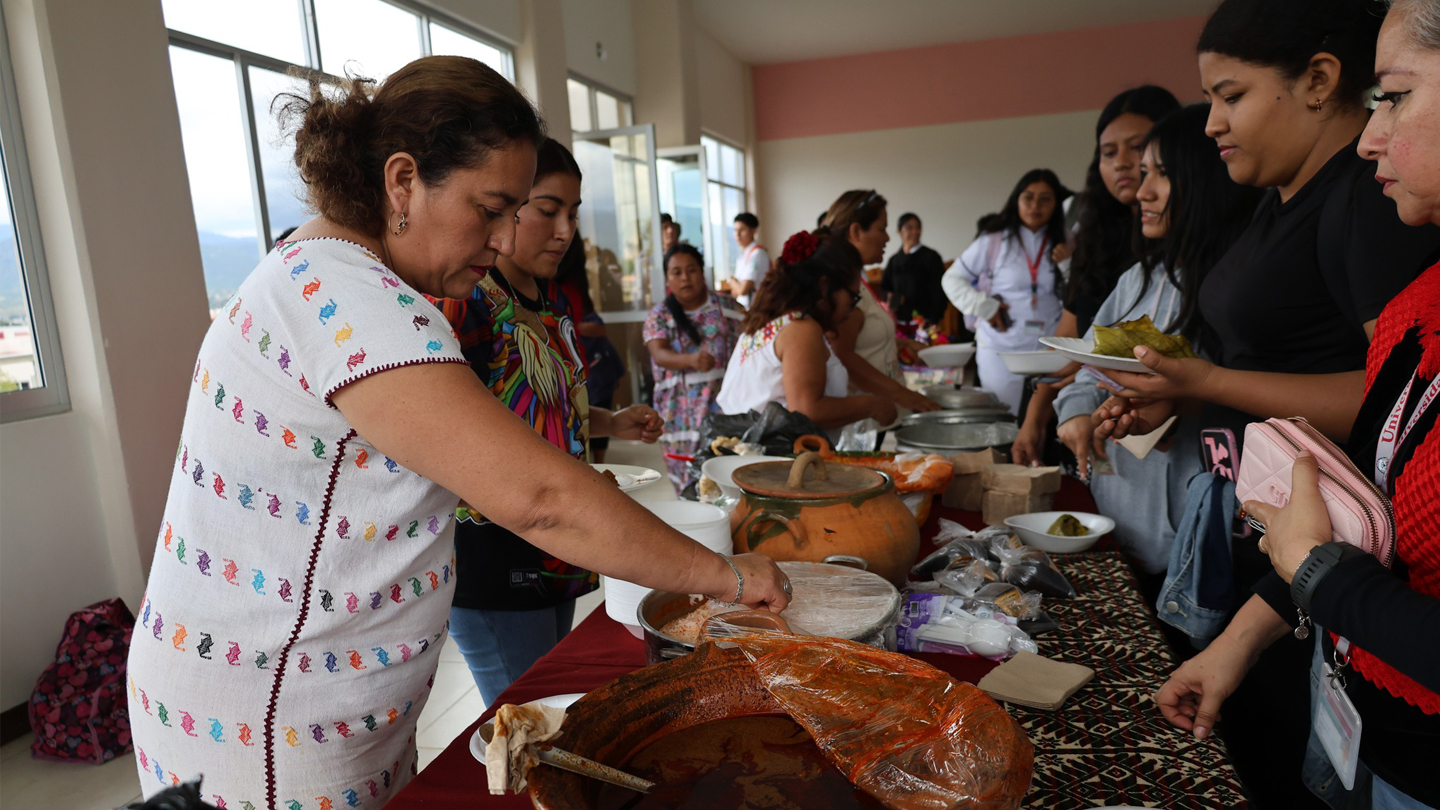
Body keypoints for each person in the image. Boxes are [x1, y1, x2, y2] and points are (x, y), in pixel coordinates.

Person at [126, 57, 790, 806]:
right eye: (492, 208)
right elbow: (541, 498)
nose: (504, 240)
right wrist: (728, 577)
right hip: (272, 713)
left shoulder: (327, 274)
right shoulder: (354, 302)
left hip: (300, 691)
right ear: (402, 181)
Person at [1096, 1, 1440, 805]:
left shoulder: (1362, 211)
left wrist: (1202, 385)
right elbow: (1367, 506)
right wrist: (1256, 626)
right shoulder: (1406, 297)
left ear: (1318, 81)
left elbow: (1365, 483)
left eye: (1394, 97)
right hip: (1332, 636)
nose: (1371, 138)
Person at [1054, 104, 1262, 577]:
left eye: (1162, 174)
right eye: (1144, 173)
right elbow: (1087, 364)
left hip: (1193, 528)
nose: (1142, 191)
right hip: (1116, 510)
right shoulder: (1139, 278)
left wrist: (1178, 406)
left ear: (1207, 179)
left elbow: (1256, 403)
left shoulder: (1236, 289)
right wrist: (1077, 414)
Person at [1011, 86, 1180, 465]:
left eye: (1137, 148)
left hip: (1154, 433)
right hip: (1085, 410)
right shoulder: (1096, 237)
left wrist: (1093, 366)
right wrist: (1035, 416)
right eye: (1108, 152)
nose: (1121, 163)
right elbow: (1070, 332)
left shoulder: (1182, 251)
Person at [716, 232, 897, 432]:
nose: (852, 307)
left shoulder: (772, 320)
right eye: (852, 296)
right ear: (824, 287)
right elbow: (807, 411)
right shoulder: (801, 329)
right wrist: (872, 405)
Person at [942, 169, 1072, 415]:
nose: (1035, 206)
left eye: (1045, 199)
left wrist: (1068, 265)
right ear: (1016, 200)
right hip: (1001, 348)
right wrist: (984, 307)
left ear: (1056, 204)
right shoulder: (993, 240)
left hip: (1050, 350)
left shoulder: (1067, 241)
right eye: (1028, 197)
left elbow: (1080, 293)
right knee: (1005, 417)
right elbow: (952, 279)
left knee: (1046, 420)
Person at [821, 191, 940, 417]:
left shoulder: (858, 281)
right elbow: (842, 354)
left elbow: (862, 339)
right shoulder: (843, 289)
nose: (887, 238)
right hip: (869, 418)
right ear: (856, 232)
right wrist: (902, 395)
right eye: (881, 229)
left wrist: (902, 343)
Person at [644, 244, 742, 489]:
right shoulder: (659, 314)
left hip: (725, 411)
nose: (685, 278)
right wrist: (691, 360)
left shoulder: (728, 308)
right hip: (678, 417)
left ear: (702, 272)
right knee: (688, 483)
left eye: (691, 270)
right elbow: (659, 353)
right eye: (676, 272)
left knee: (726, 475)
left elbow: (752, 337)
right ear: (667, 278)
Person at [555, 234, 624, 463]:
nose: (562, 230)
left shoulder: (566, 289)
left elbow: (598, 327)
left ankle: (600, 463)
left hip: (590, 368)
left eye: (572, 217)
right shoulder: (559, 288)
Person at [880, 213, 947, 325]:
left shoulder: (931, 257)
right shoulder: (894, 260)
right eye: (909, 228)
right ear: (900, 232)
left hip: (924, 321)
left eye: (918, 228)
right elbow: (886, 288)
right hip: (899, 321)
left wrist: (934, 319)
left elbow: (939, 291)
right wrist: (893, 299)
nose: (915, 232)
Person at [723, 212, 770, 308]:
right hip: (744, 308)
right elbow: (735, 292)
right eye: (735, 230)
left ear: (753, 230)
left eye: (742, 230)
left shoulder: (757, 254)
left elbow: (742, 290)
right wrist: (736, 286)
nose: (737, 234)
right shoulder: (743, 255)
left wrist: (732, 280)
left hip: (754, 308)